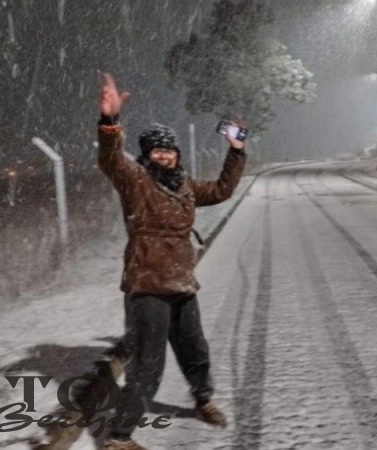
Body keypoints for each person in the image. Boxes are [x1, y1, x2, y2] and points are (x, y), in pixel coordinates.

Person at [96, 73, 246, 450]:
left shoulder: (185, 185)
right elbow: (111, 159)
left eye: (169, 149)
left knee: (195, 349)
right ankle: (120, 436)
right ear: (145, 155)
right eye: (156, 150)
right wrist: (110, 123)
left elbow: (223, 190)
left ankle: (203, 400)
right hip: (147, 285)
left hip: (181, 282)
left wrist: (236, 151)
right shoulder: (136, 180)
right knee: (148, 364)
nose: (164, 154)